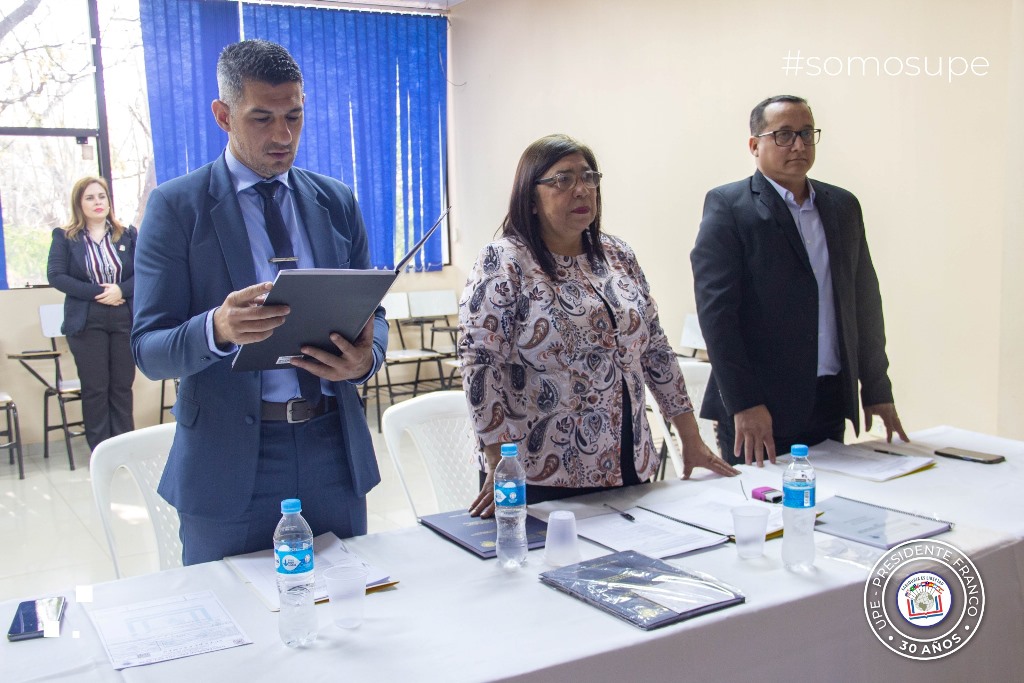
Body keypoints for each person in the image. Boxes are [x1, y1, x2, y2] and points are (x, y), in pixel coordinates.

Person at [132, 40, 388, 565]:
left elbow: (372, 313)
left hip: (331, 451)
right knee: (233, 628)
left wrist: (367, 359)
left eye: (294, 116)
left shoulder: (335, 202)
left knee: (347, 618)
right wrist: (217, 329)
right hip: (228, 462)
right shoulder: (177, 208)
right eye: (262, 118)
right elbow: (149, 350)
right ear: (223, 116)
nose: (283, 136)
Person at [461, 134, 738, 517]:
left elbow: (655, 349)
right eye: (563, 179)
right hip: (541, 472)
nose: (581, 189)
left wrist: (691, 437)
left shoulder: (616, 254)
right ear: (530, 198)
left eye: (589, 177)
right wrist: (496, 461)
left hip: (629, 457)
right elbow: (480, 362)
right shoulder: (504, 261)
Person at [690, 94, 908, 468]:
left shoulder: (842, 206)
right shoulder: (730, 206)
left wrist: (876, 388)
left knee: (828, 511)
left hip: (827, 399)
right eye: (784, 135)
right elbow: (717, 316)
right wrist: (744, 402)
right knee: (765, 515)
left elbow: (865, 303)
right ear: (754, 145)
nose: (799, 145)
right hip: (760, 408)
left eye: (807, 134)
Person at [47, 176, 136, 451]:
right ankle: (101, 451)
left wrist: (121, 290)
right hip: (86, 320)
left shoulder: (128, 234)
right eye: (90, 197)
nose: (98, 202)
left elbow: (147, 272)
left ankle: (124, 448)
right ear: (79, 203)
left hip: (124, 318)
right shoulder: (65, 237)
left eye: (102, 196)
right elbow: (56, 276)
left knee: (121, 387)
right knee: (96, 389)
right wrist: (98, 292)